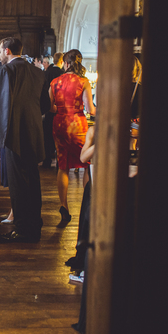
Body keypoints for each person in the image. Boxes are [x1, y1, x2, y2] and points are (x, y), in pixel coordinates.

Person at [0, 37, 50, 243]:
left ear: (7, 51)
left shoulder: (5, 71)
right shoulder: (37, 71)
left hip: (13, 134)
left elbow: (3, 105)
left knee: (17, 184)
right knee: (32, 181)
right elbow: (45, 104)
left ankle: (23, 230)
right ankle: (34, 224)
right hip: (33, 132)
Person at [49, 49, 96, 226]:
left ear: (65, 63)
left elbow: (51, 107)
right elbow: (90, 109)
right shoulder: (83, 82)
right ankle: (87, 206)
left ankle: (64, 207)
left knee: (63, 166)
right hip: (77, 125)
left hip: (59, 124)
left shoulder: (54, 82)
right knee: (86, 163)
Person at [42, 52, 65, 167]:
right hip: (60, 107)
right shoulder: (63, 74)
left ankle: (46, 160)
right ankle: (59, 159)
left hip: (48, 106)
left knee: (48, 135)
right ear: (62, 61)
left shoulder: (47, 72)